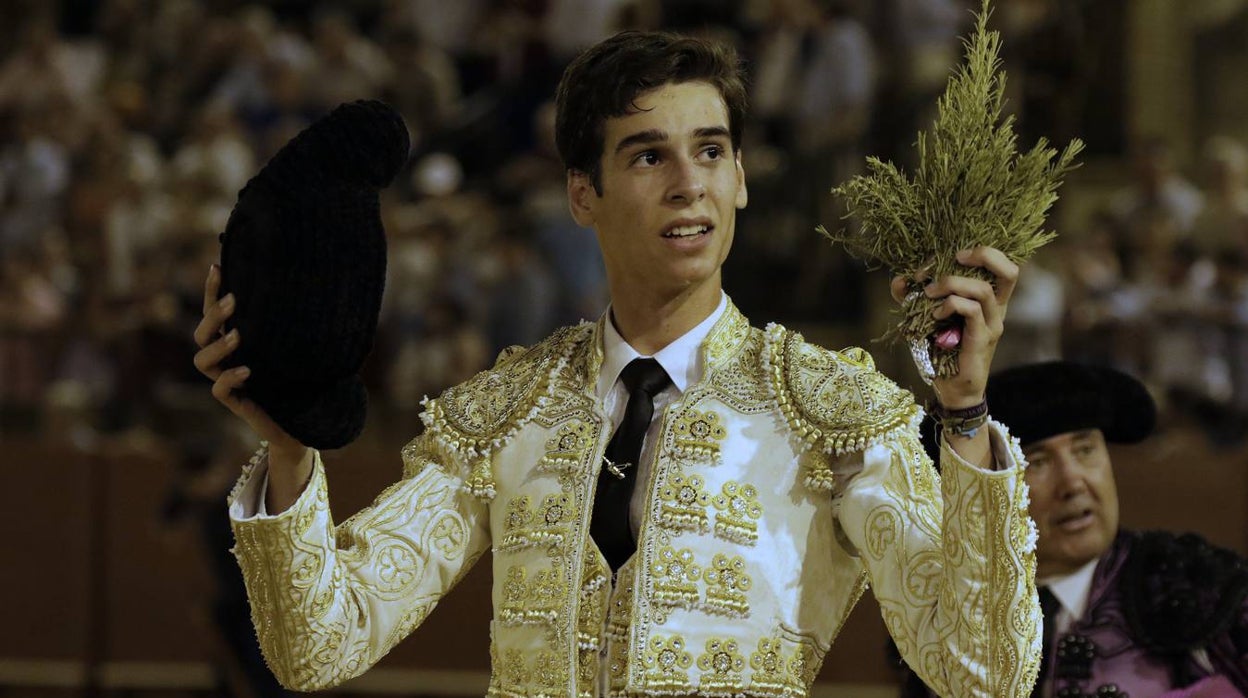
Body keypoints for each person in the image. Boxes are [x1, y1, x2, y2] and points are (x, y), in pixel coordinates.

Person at [193, 31, 1041, 697]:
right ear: (581, 194)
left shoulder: (830, 411)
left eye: (711, 152)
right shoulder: (509, 412)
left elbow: (985, 674)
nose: (688, 184)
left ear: (742, 177)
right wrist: (293, 445)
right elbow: (316, 646)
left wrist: (963, 418)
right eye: (647, 155)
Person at [897, 360, 1248, 698]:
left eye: (1085, 450)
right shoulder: (953, 613)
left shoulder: (1199, 584)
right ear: (992, 486)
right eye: (1038, 461)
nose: (1073, 483)